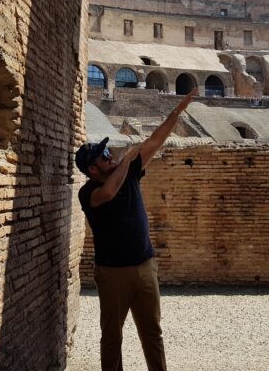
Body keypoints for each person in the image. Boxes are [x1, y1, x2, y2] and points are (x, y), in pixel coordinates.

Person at [76, 87, 198, 371]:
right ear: (92, 170)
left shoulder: (128, 171)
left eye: (108, 152)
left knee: (152, 332)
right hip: (113, 273)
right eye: (104, 156)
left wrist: (177, 112)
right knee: (112, 337)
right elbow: (108, 193)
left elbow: (154, 141)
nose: (110, 156)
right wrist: (127, 158)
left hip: (145, 266)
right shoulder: (89, 192)